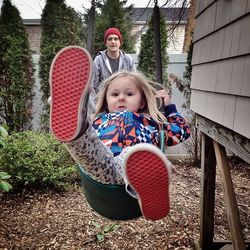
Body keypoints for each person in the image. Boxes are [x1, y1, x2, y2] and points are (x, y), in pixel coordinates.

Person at [49, 46, 190, 221]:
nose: (121, 97)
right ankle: (74, 117)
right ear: (106, 102)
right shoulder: (100, 120)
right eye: (115, 94)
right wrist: (87, 113)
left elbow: (181, 131)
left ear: (141, 102)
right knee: (86, 141)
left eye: (129, 93)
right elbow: (93, 146)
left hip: (133, 170)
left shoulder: (153, 125)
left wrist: (169, 107)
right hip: (103, 168)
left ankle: (149, 188)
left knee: (137, 154)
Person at [92, 27, 136, 94]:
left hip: (124, 99)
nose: (113, 42)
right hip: (104, 100)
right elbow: (93, 86)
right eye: (110, 39)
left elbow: (134, 83)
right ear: (106, 43)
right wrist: (97, 103)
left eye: (116, 39)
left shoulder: (128, 59)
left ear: (120, 42)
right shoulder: (98, 60)